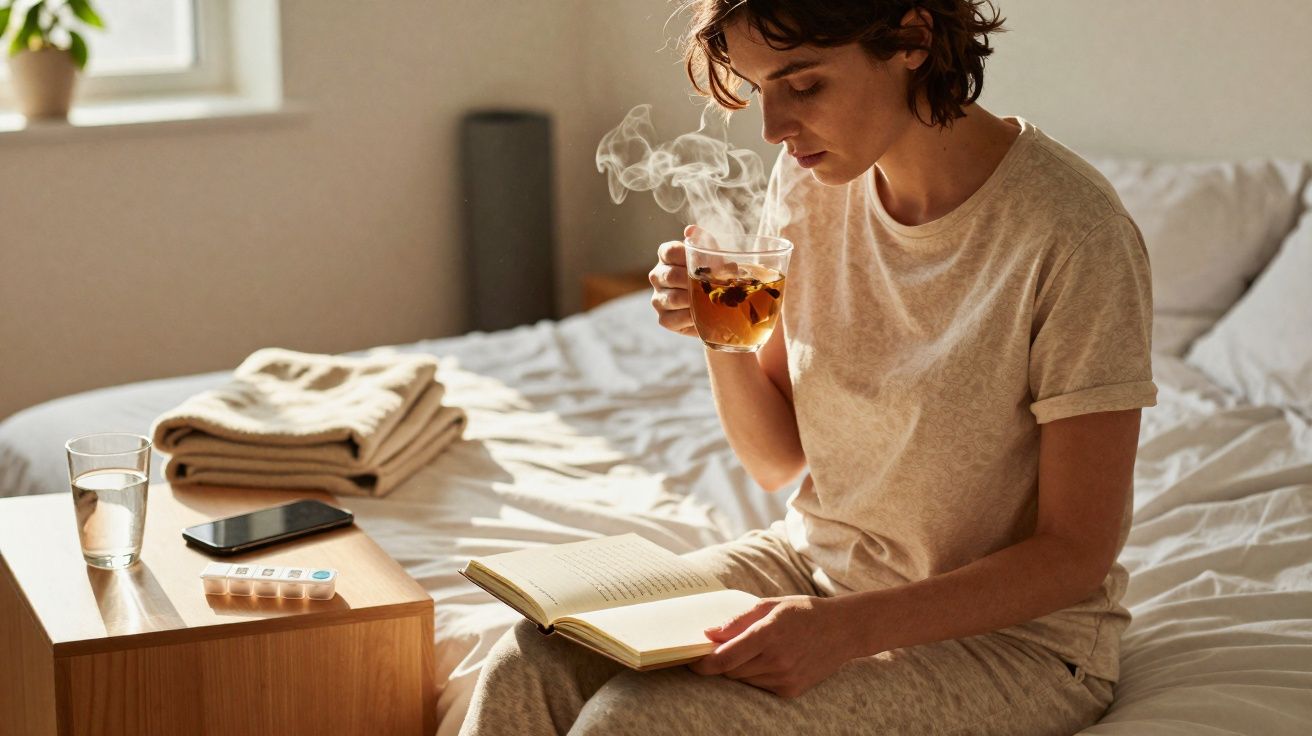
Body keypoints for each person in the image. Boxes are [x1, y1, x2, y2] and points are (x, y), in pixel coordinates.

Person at [459, 1, 1156, 734]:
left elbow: (1076, 553)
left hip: (1014, 644)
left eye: (804, 85)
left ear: (913, 37)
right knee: (530, 661)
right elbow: (775, 459)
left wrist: (845, 630)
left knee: (634, 722)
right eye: (759, 88)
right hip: (815, 568)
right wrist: (717, 330)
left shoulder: (1076, 235)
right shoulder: (808, 182)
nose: (773, 129)